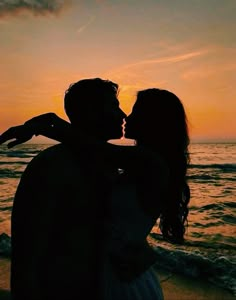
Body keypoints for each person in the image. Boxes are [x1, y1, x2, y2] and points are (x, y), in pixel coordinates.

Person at [0, 85, 190, 299]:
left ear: (153, 121)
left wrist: (46, 124)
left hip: (119, 282)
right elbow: (29, 247)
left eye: (134, 111)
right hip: (96, 282)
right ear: (91, 112)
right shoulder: (57, 165)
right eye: (114, 106)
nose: (124, 115)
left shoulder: (139, 162)